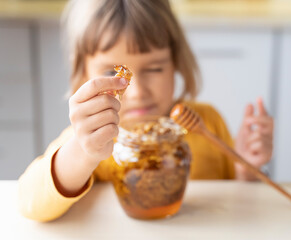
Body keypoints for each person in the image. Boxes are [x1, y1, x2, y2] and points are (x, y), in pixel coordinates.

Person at [18, 0, 274, 222]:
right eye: (111, 73)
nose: (138, 92)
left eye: (154, 69)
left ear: (176, 64)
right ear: (83, 75)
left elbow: (239, 206)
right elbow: (29, 203)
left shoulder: (206, 122)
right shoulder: (91, 139)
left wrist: (244, 169)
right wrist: (82, 154)